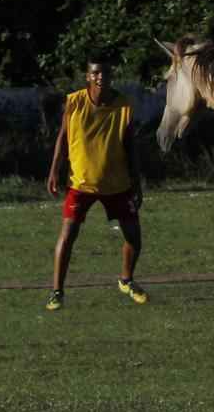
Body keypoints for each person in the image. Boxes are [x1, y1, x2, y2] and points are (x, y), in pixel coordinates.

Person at [45, 56, 147, 310]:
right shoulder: (75, 102)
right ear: (88, 76)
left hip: (117, 183)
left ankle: (126, 280)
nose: (101, 76)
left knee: (134, 236)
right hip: (81, 183)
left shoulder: (123, 105)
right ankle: (57, 292)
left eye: (105, 72)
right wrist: (54, 170)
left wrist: (137, 181)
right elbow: (63, 137)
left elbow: (131, 146)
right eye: (96, 73)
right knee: (68, 235)